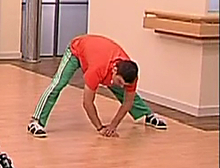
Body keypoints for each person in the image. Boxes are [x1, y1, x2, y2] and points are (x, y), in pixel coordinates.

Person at [27, 34, 167, 138]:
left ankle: (147, 115)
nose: (122, 85)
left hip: (101, 59)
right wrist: (100, 127)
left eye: (125, 84)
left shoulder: (130, 75)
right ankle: (36, 121)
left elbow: (128, 102)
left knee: (126, 92)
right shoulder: (97, 69)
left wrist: (113, 126)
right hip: (76, 50)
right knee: (58, 83)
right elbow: (87, 103)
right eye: (120, 82)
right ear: (114, 70)